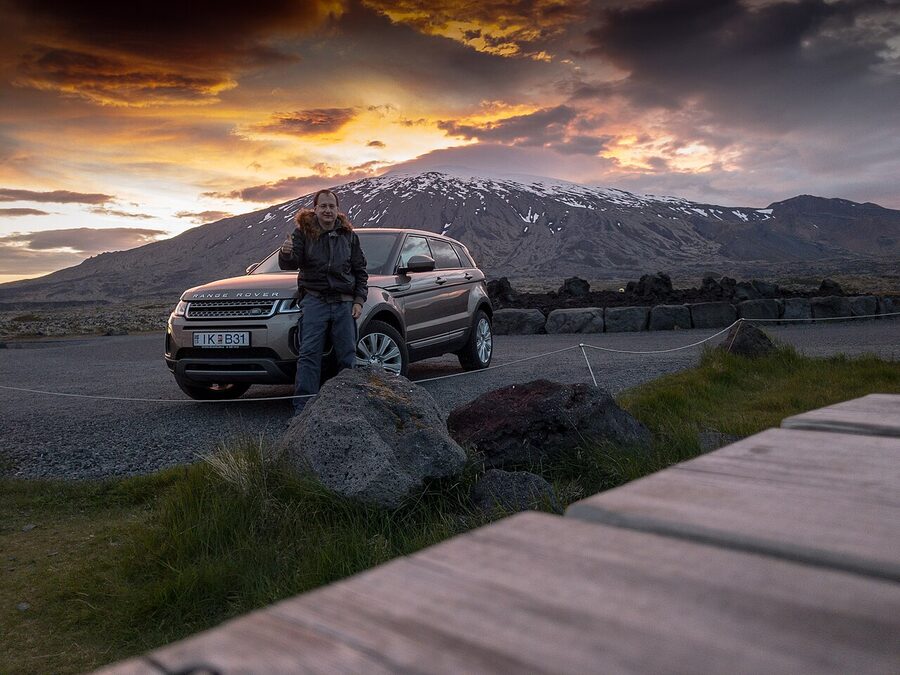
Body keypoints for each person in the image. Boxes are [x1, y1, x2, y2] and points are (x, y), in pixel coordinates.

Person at [279, 189, 368, 412]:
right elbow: (290, 264)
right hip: (314, 300)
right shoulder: (303, 234)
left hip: (344, 302)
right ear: (315, 209)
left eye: (332, 206)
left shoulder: (349, 236)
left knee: (347, 354)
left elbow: (360, 270)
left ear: (337, 210)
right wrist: (286, 253)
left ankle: (350, 405)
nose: (328, 210)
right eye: (323, 206)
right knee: (309, 354)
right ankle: (304, 409)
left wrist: (358, 299)